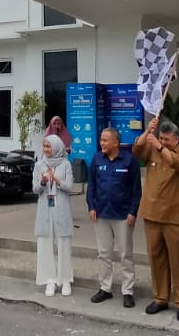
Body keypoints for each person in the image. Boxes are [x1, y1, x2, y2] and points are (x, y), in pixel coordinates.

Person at [133, 117, 179, 321]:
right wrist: (147, 132)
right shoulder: (151, 151)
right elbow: (136, 150)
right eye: (161, 138)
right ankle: (160, 298)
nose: (163, 141)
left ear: (176, 140)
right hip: (152, 213)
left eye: (167, 139)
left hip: (175, 216)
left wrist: (160, 146)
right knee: (156, 258)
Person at [87, 126, 142, 308]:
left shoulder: (129, 161)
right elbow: (92, 185)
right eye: (101, 140)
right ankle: (105, 288)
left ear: (116, 142)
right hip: (101, 213)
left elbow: (136, 189)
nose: (101, 143)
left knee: (125, 254)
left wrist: (133, 211)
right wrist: (91, 206)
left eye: (105, 140)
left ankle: (127, 291)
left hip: (123, 215)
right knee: (104, 253)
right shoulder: (97, 159)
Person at [32, 134, 80, 297]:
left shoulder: (65, 164)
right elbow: (35, 189)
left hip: (61, 208)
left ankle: (65, 279)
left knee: (63, 242)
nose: (46, 150)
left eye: (49, 147)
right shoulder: (39, 165)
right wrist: (43, 182)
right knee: (45, 242)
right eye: (44, 146)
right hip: (45, 208)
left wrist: (56, 180)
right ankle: (50, 279)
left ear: (57, 147)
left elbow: (70, 186)